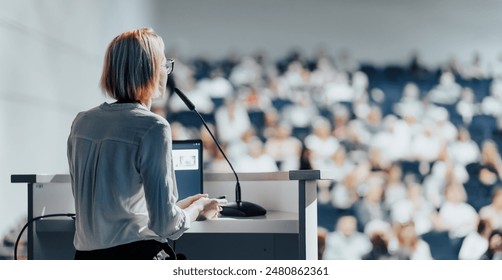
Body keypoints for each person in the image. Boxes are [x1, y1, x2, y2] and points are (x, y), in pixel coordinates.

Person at [67, 28, 225, 260]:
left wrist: (180, 207)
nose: (167, 72)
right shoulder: (153, 127)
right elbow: (167, 226)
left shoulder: (82, 122)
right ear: (149, 71)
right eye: (164, 64)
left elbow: (120, 215)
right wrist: (198, 209)